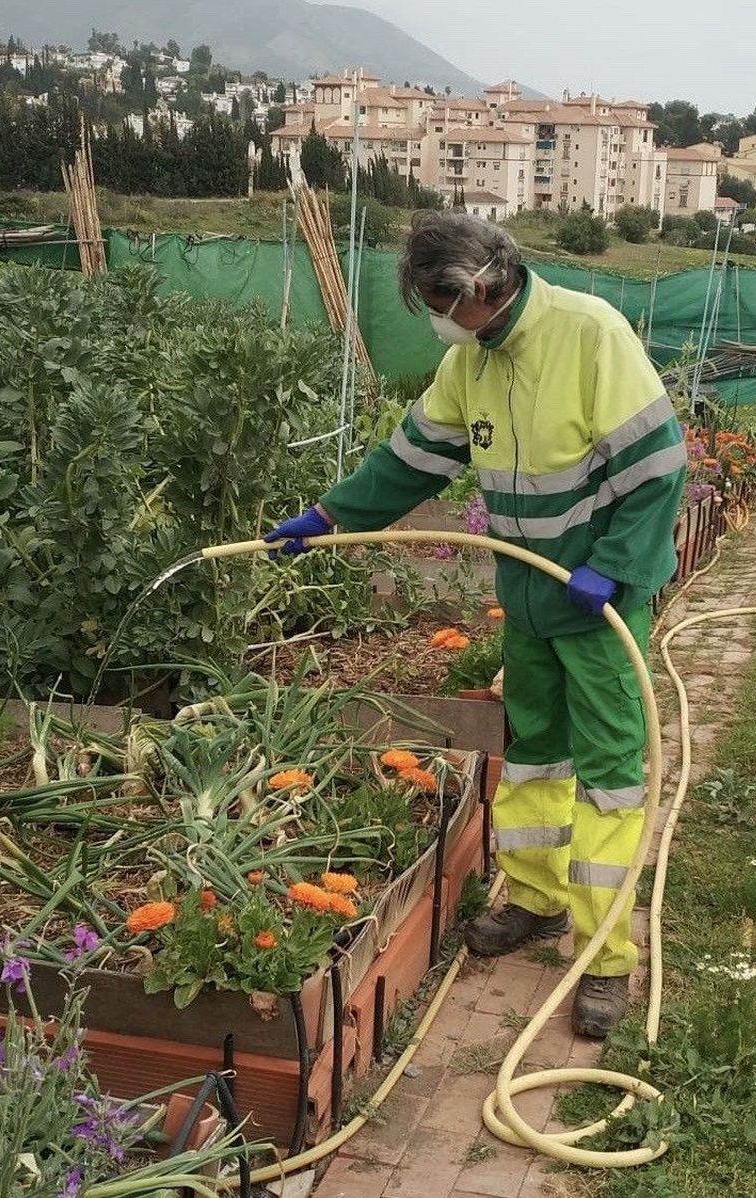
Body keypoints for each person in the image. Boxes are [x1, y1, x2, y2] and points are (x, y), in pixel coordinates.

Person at [265, 211, 684, 1038]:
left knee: (609, 775)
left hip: (596, 604)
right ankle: (534, 899)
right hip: (530, 595)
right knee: (533, 756)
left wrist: (619, 565)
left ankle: (604, 959)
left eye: (436, 301)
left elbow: (659, 467)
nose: (434, 317)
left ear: (483, 289)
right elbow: (413, 458)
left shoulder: (589, 335)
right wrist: (327, 516)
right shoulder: (474, 359)